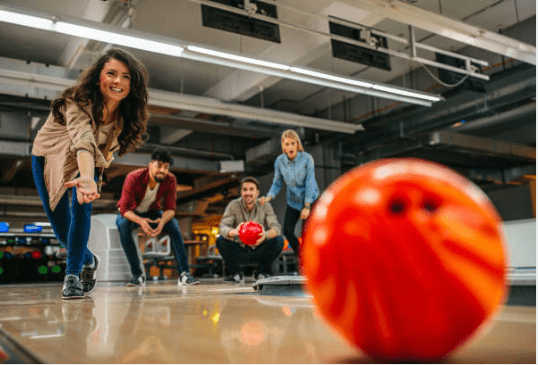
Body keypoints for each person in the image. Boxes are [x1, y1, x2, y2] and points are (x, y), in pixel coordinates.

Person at [32, 48, 149, 299]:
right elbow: (83, 138)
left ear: (132, 83)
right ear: (98, 78)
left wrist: (89, 176)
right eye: (111, 74)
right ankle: (89, 259)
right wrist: (87, 177)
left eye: (126, 76)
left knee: (82, 209)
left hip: (88, 162)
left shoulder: (124, 117)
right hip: (49, 159)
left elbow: (97, 149)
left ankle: (72, 275)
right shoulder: (76, 103)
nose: (118, 81)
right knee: (61, 227)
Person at [116, 148, 200, 286]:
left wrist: (162, 222)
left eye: (166, 167)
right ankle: (137, 275)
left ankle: (184, 274)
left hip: (152, 212)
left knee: (173, 224)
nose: (162, 170)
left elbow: (170, 209)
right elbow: (124, 209)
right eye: (159, 166)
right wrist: (141, 221)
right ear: (150, 165)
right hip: (131, 213)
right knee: (122, 225)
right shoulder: (134, 177)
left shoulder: (170, 179)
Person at [259, 129, 319, 258]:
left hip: (310, 200)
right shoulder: (280, 161)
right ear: (283, 146)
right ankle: (302, 257)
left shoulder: (307, 159)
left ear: (297, 144)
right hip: (293, 201)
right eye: (287, 144)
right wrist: (268, 197)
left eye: (293, 143)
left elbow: (309, 182)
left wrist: (307, 206)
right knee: (287, 230)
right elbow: (277, 183)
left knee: (307, 234)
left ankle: (310, 261)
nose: (290, 147)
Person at [217, 177, 284, 283]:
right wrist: (235, 232)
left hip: (259, 249)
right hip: (240, 250)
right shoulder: (234, 205)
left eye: (251, 189)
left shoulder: (265, 205)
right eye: (245, 189)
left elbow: (276, 228)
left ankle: (260, 272)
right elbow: (223, 227)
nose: (248, 193)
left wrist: (265, 235)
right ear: (241, 192)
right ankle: (236, 274)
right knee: (220, 241)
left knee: (279, 241)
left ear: (257, 192)